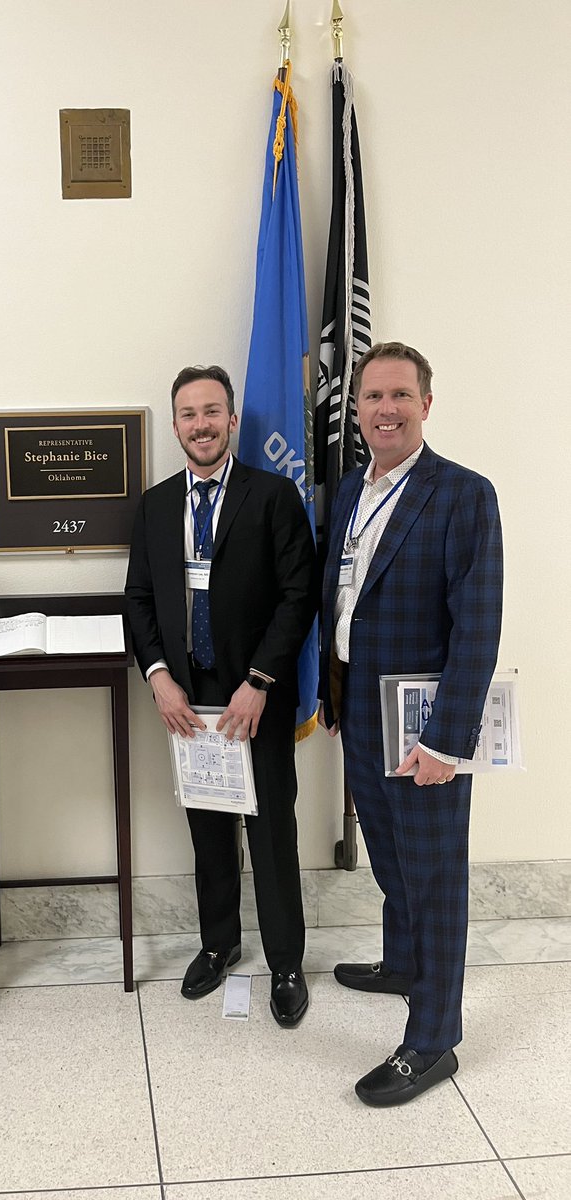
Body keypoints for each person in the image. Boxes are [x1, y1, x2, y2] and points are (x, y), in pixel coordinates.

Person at [318, 342, 503, 1106]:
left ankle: (432, 1040)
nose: (384, 410)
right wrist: (335, 692)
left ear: (427, 404)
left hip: (422, 720)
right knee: (390, 857)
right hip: (362, 704)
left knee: (433, 878)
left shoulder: (462, 494)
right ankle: (402, 965)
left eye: (399, 395)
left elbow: (478, 627)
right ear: (355, 411)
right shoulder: (349, 492)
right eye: (371, 398)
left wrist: (446, 743)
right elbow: (344, 595)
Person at [125, 365, 316, 1026]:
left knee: (270, 834)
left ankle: (286, 962)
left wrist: (259, 681)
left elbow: (300, 596)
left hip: (255, 697)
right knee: (207, 832)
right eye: (188, 414)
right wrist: (158, 677)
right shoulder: (153, 505)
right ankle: (219, 944)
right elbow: (139, 599)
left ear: (232, 421)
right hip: (187, 699)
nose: (200, 424)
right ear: (175, 424)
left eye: (212, 412)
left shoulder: (272, 496)